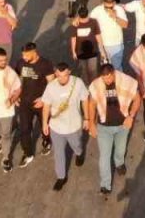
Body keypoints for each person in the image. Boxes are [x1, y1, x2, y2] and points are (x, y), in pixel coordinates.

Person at [87, 63, 141, 195]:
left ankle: (119, 163)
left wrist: (131, 116)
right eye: (104, 78)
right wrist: (91, 124)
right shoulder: (96, 85)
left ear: (114, 73)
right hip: (104, 127)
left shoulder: (126, 81)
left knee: (120, 149)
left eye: (109, 78)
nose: (107, 81)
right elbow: (92, 104)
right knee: (104, 156)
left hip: (123, 125)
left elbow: (137, 99)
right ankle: (105, 184)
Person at [40, 62, 89, 192]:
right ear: (55, 74)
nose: (62, 79)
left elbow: (85, 100)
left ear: (69, 72)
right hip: (56, 127)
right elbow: (46, 106)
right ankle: (61, 177)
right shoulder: (51, 87)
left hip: (74, 125)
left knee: (76, 145)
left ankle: (79, 153)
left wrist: (87, 118)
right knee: (59, 153)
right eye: (59, 76)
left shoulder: (77, 83)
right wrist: (45, 123)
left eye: (65, 75)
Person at [9, 42, 55, 168]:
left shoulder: (45, 64)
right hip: (24, 102)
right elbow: (15, 79)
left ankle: (47, 140)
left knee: (45, 125)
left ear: (34, 52)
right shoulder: (21, 63)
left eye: (26, 55)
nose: (24, 57)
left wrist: (44, 99)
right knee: (24, 130)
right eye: (22, 55)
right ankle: (28, 153)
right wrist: (15, 94)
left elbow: (52, 83)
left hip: (41, 103)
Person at [92, 0, 130, 71]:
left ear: (114, 3)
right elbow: (89, 21)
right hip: (102, 45)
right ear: (103, 3)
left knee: (116, 68)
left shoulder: (119, 9)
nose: (109, 9)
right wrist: (78, 19)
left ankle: (118, 82)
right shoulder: (97, 10)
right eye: (106, 7)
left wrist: (115, 17)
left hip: (116, 45)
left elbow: (125, 25)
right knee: (105, 68)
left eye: (111, 7)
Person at [68, 7, 103, 85]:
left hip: (92, 52)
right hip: (81, 53)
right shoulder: (75, 24)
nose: (84, 21)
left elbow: (98, 35)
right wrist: (73, 52)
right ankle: (86, 87)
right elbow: (73, 38)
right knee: (83, 72)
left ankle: (93, 86)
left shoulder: (93, 22)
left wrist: (102, 50)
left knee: (93, 71)